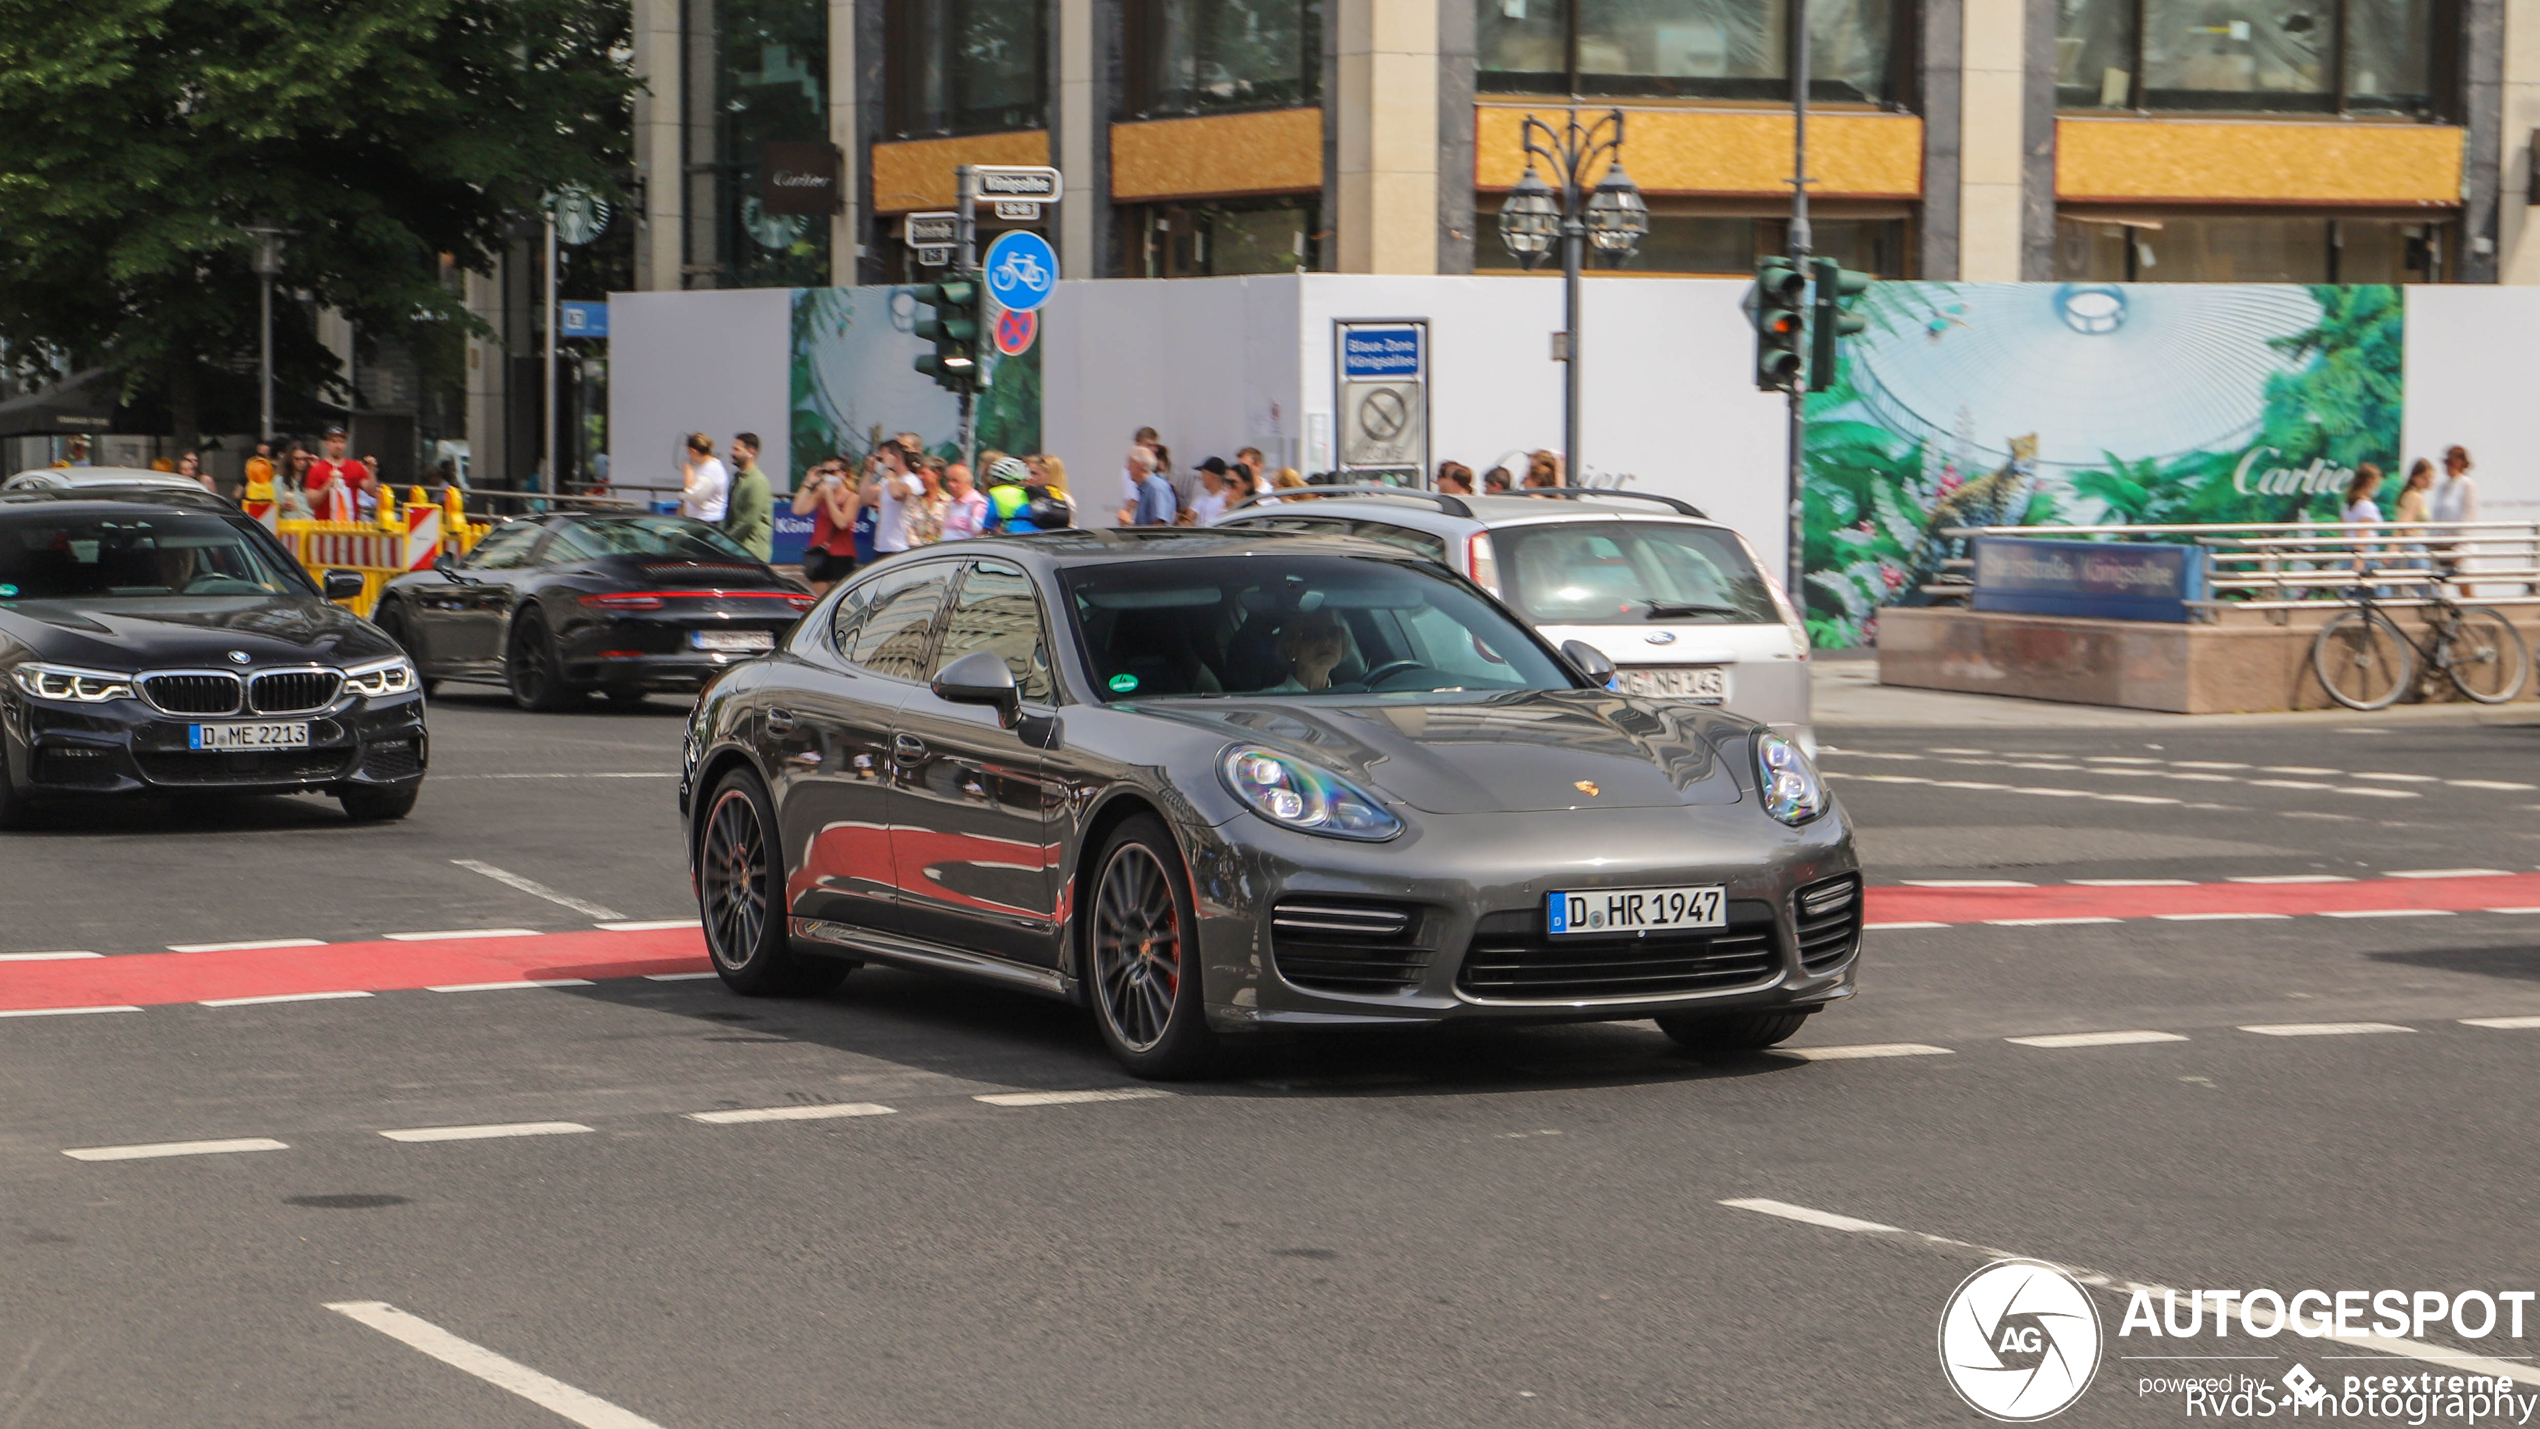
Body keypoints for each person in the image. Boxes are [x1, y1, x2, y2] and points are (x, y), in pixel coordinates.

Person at [793, 457, 859, 593]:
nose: (828, 476)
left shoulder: (852, 497)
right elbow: (798, 509)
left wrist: (829, 498)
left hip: (841, 554)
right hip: (819, 553)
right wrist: (807, 484)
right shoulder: (820, 494)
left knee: (839, 596)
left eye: (832, 472)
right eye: (825, 472)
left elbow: (842, 523)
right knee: (821, 600)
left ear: (843, 473)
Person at [865, 440, 925, 557]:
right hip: (882, 547)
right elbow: (865, 498)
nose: (881, 463)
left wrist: (890, 469)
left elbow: (896, 494)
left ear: (895, 457)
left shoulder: (912, 480)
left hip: (902, 548)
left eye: (882, 459)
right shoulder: (887, 481)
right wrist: (869, 471)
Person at [722, 433, 774, 561]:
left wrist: (723, 542)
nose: (731, 452)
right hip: (737, 551)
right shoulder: (737, 479)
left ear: (750, 452)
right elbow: (729, 515)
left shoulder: (757, 482)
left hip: (752, 553)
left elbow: (748, 521)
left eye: (736, 449)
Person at [1270, 609, 1350, 692]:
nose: (1326, 642)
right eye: (1313, 634)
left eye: (1334, 632)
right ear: (1291, 649)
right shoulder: (1267, 701)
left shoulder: (1352, 698)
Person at [306, 426, 368, 522]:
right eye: (334, 441)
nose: (338, 446)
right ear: (327, 444)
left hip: (351, 526)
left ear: (345, 444)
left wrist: (371, 471)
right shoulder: (316, 469)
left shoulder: (356, 466)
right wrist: (328, 485)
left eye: (341, 442)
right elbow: (311, 502)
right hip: (324, 527)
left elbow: (371, 491)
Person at [679, 432, 729, 522]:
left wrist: (688, 475)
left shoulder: (711, 469)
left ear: (693, 451)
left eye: (689, 452)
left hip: (708, 520)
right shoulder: (702, 467)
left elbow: (696, 498)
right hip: (697, 519)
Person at [1130, 447, 1177, 526]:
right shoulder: (1144, 488)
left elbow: (1158, 527)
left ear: (1138, 465)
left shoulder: (1156, 488)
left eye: (1130, 464)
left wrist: (1129, 523)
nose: (1128, 468)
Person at [1190, 458, 1231, 526]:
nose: (1201, 478)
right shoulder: (1200, 499)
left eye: (1203, 474)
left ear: (1211, 476)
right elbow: (1188, 519)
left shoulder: (1227, 499)